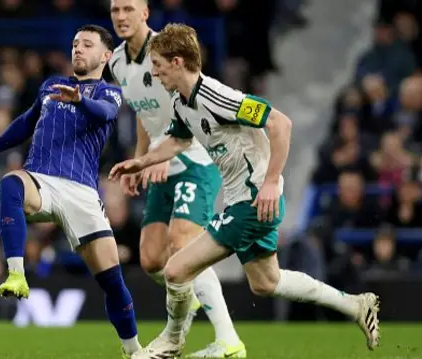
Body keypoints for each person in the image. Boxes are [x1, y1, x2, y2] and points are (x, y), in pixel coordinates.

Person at [110, 23, 380, 358]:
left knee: (177, 269)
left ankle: (175, 342)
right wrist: (143, 161)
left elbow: (280, 124)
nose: (155, 73)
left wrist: (270, 182)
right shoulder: (181, 102)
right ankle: (355, 305)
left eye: (160, 66)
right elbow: (179, 140)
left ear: (178, 62)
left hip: (253, 201)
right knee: (266, 283)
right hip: (245, 201)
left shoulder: (218, 96)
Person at [0, 25, 141, 358]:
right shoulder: (51, 85)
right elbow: (26, 121)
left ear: (105, 56)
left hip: (82, 194)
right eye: (75, 43)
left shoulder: (109, 92)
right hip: (42, 181)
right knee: (11, 182)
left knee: (112, 282)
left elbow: (105, 113)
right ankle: (16, 274)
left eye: (87, 45)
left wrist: (81, 101)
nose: (77, 49)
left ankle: (134, 351)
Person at [108, 0, 245, 357]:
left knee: (183, 246)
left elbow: (191, 109)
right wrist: (141, 158)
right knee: (152, 260)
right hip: (158, 161)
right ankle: (188, 301)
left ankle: (227, 339)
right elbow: (142, 110)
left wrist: (167, 154)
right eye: (115, 10)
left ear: (145, 13)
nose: (121, 17)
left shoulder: (165, 54)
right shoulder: (117, 62)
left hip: (194, 158)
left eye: (128, 9)